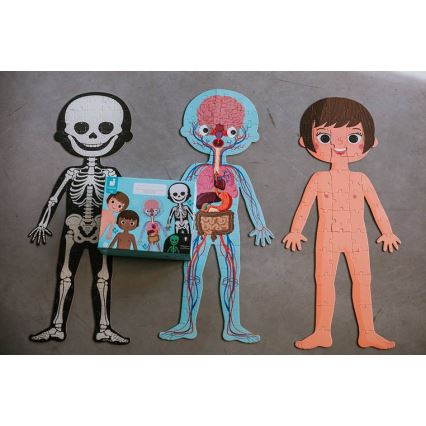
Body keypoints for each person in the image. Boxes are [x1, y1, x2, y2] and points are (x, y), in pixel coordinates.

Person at [282, 97, 401, 350]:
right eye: (325, 137)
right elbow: (305, 205)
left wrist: (388, 232)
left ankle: (368, 332)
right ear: (305, 141)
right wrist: (295, 230)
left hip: (358, 238)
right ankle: (321, 333)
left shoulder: (361, 179)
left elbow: (376, 206)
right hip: (327, 238)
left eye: (353, 137)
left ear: (371, 142)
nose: (339, 145)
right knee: (323, 282)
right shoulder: (318, 178)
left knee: (363, 282)